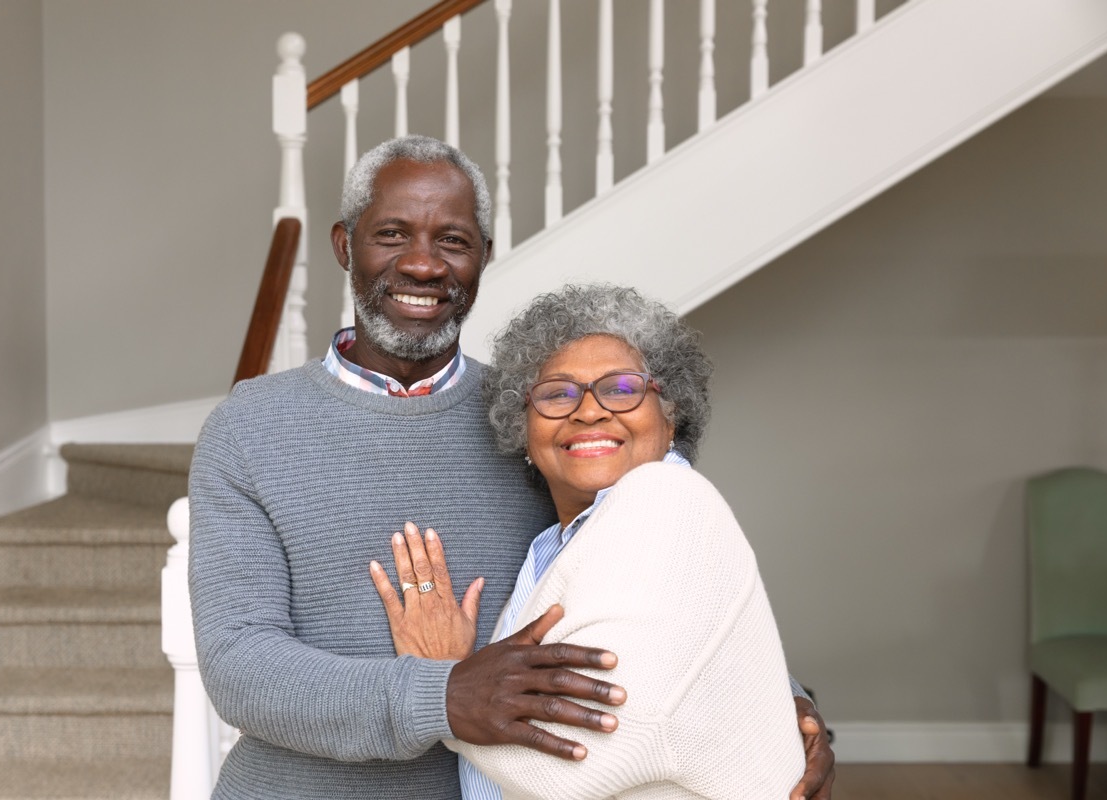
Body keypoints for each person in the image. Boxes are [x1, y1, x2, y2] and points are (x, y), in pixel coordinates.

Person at [189, 135, 835, 799]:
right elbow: (240, 666)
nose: (423, 264)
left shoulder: (540, 420)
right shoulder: (249, 428)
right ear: (344, 245)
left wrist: (783, 709)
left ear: (483, 256)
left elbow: (669, 586)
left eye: (453, 240)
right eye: (392, 234)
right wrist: (443, 695)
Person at [371, 284, 807, 798]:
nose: (589, 411)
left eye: (621, 388)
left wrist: (443, 678)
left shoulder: (667, 500)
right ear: (524, 428)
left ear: (671, 415)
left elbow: (579, 761)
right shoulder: (558, 544)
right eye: (558, 393)